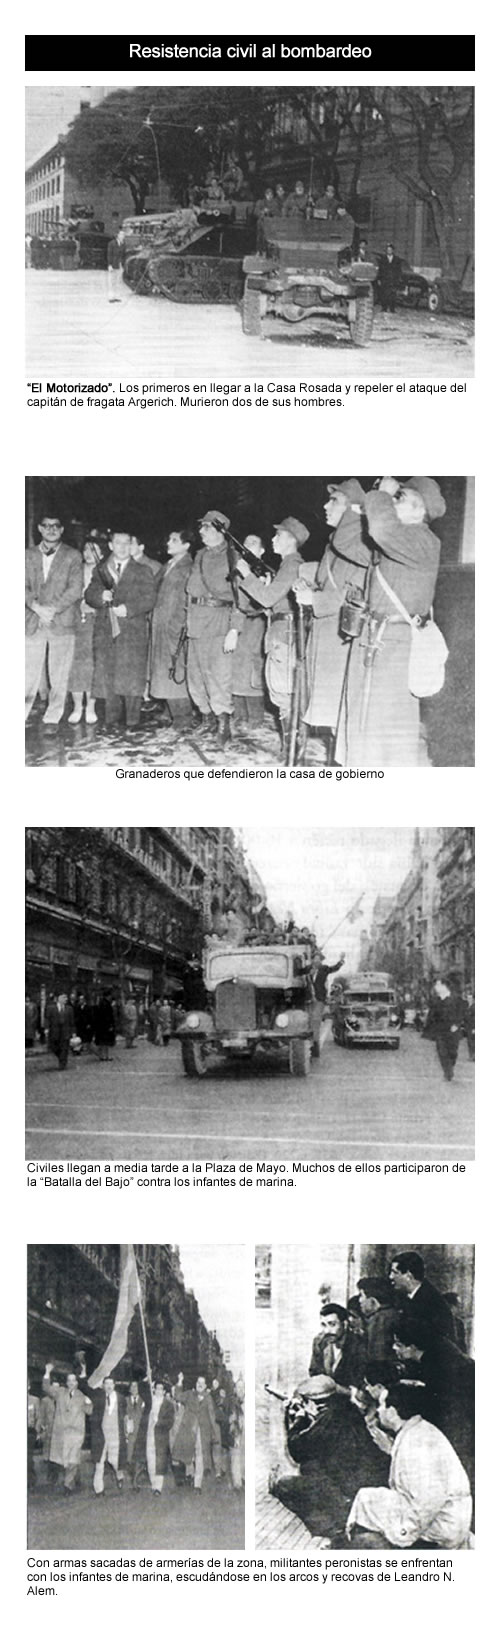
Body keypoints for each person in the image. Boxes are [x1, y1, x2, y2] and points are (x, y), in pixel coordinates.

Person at [332, 475, 446, 766]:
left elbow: (382, 528)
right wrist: (361, 502)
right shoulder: (392, 545)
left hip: (395, 644)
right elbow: (343, 542)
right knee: (360, 720)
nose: (392, 501)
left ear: (419, 510)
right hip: (371, 638)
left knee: (385, 731)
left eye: (400, 497)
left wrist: (381, 496)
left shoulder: (423, 540)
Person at [347, 1384, 472, 1548]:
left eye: (382, 1405)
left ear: (393, 1412)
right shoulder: (418, 1429)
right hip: (442, 1513)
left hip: (443, 1524)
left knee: (367, 1509)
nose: (378, 1411)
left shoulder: (416, 1443)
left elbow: (428, 1502)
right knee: (365, 1497)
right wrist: (392, 1450)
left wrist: (404, 1533)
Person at [235, 516, 309, 757]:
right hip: (281, 635)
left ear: (290, 540)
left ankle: (293, 752)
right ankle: (292, 749)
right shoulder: (287, 566)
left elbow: (267, 599)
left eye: (278, 536)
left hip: (284, 639)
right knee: (283, 694)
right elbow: (273, 604)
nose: (273, 539)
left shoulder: (291, 564)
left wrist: (247, 575)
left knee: (285, 695)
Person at [393, 1316, 474, 1495]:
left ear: (413, 1347)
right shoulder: (436, 1351)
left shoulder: (439, 1364)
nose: (394, 1348)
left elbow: (440, 1401)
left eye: (398, 1344)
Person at [86, 529, 155, 729]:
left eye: (127, 543)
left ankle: (133, 721)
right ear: (110, 545)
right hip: (106, 632)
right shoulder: (100, 569)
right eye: (118, 543)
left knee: (132, 677)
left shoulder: (143, 570)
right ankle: (111, 720)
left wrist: (130, 609)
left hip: (132, 632)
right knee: (109, 676)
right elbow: (90, 593)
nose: (122, 547)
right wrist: (101, 596)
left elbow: (150, 598)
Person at [186, 510, 243, 747]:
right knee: (195, 676)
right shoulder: (199, 556)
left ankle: (223, 724)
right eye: (202, 527)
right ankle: (207, 717)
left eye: (207, 527)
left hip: (220, 622)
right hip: (196, 622)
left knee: (218, 676)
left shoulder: (233, 557)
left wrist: (234, 630)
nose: (201, 531)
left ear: (221, 531)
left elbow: (242, 597)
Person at [26, 516, 83, 726]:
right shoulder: (27, 555)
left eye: (56, 526)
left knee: (59, 674)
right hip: (32, 620)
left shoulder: (73, 556)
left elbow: (75, 589)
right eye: (46, 526)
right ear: (40, 528)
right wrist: (36, 607)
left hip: (62, 621)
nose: (51, 530)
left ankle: (53, 716)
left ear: (62, 529)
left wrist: (53, 610)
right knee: (26, 671)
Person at [150, 527, 195, 729]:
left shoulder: (187, 568)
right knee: (164, 670)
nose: (168, 543)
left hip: (173, 627)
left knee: (174, 670)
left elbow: (187, 600)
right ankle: (170, 711)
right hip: (162, 624)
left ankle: (183, 718)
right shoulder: (169, 565)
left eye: (174, 540)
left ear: (186, 545)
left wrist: (177, 624)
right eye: (169, 539)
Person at [231, 535, 268, 729]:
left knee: (254, 669)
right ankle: (240, 714)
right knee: (235, 667)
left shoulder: (266, 572)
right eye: (245, 543)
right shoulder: (237, 571)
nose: (247, 546)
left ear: (262, 551)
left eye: (254, 543)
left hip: (256, 623)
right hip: (239, 622)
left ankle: (255, 717)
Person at [67, 536, 104, 724]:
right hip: (74, 623)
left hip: (95, 624)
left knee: (92, 665)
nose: (89, 554)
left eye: (94, 550)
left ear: (102, 553)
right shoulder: (74, 571)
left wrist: (96, 606)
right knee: (74, 665)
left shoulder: (105, 574)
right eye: (87, 550)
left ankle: (90, 707)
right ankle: (76, 706)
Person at [42, 1364, 91, 1493]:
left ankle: (68, 1485)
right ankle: (73, 1480)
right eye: (69, 1380)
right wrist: (47, 1372)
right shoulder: (60, 1392)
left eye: (74, 1380)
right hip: (62, 1433)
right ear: (66, 1382)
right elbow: (46, 1387)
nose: (71, 1383)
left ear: (77, 1383)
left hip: (76, 1434)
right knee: (64, 1461)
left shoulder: (81, 1396)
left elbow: (90, 1411)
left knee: (73, 1459)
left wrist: (89, 1402)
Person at [78, 1367, 127, 1496]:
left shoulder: (121, 1399)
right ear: (103, 1385)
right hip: (101, 1435)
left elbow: (125, 1416)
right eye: (106, 1384)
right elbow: (85, 1388)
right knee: (99, 1462)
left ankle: (119, 1474)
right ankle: (98, 1489)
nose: (109, 1386)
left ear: (114, 1385)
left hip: (115, 1434)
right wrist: (83, 1373)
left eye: (111, 1384)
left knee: (114, 1460)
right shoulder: (98, 1396)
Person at [389, 1252, 456, 1343]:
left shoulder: (431, 1302)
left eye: (395, 1272)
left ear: (409, 1276)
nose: (391, 1277)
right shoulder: (410, 1297)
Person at [309, 1301, 366, 1384]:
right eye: (323, 1325)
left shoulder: (358, 1344)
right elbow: (314, 1373)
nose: (327, 1330)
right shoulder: (319, 1342)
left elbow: (358, 1381)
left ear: (345, 1324)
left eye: (332, 1324)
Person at [428, 978, 462, 1081]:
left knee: (453, 1052)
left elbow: (461, 1013)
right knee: (442, 1052)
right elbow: (431, 1015)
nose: (436, 988)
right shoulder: (435, 1000)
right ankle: (448, 1072)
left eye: (438, 985)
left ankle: (450, 1066)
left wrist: (456, 1025)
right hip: (440, 1031)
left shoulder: (456, 999)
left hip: (453, 1030)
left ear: (444, 986)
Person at [357, 1277, 397, 1361]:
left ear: (373, 1300)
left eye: (361, 1295)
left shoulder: (380, 1320)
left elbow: (377, 1356)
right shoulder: (393, 1314)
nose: (359, 1300)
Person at [47, 992, 74, 1070]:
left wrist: (73, 1032)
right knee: (54, 1046)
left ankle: (62, 1063)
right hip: (55, 1031)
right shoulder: (51, 1008)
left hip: (65, 1031)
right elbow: (47, 1019)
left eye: (66, 997)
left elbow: (72, 1021)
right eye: (63, 997)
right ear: (58, 998)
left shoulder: (69, 1008)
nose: (66, 999)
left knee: (64, 1048)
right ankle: (61, 1057)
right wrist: (46, 1029)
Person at [125, 1380, 145, 1470]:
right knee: (129, 1456)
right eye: (132, 1386)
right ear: (129, 1389)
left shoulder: (144, 1401)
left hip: (141, 1433)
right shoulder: (125, 1401)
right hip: (129, 1433)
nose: (134, 1389)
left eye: (136, 1386)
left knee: (140, 1458)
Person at [376, 242, 403, 312]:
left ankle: (392, 309)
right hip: (385, 279)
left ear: (393, 251)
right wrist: (379, 279)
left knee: (393, 295)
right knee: (384, 294)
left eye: (390, 250)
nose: (389, 251)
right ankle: (384, 308)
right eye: (388, 250)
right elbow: (380, 269)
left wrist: (398, 279)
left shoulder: (397, 259)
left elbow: (399, 270)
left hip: (393, 280)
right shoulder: (383, 259)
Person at [93, 992, 116, 1061]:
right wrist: (110, 1025)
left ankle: (102, 1056)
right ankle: (105, 1056)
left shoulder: (100, 1003)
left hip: (100, 1027)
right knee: (105, 1042)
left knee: (102, 1042)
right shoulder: (106, 1004)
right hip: (106, 1026)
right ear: (108, 996)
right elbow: (108, 1016)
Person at [107, 227, 124, 301]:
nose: (123, 236)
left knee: (118, 281)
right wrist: (109, 265)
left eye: (123, 235)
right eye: (122, 235)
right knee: (112, 281)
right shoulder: (111, 243)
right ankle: (111, 297)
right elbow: (109, 254)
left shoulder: (123, 244)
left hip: (120, 265)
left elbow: (124, 255)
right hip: (113, 264)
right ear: (118, 235)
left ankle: (117, 296)